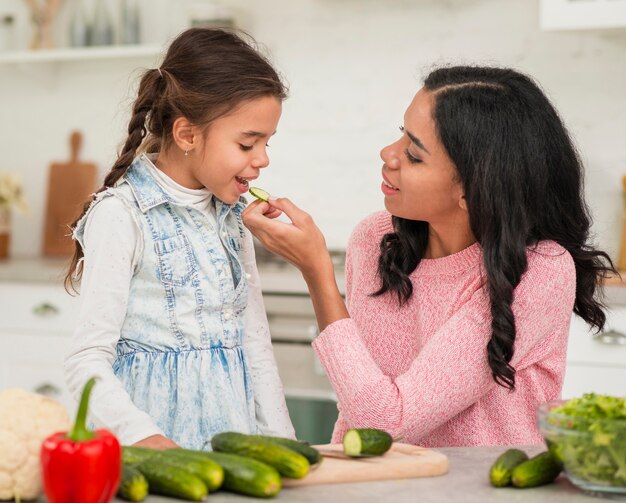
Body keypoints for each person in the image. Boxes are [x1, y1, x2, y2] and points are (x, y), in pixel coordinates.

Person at [243, 65, 615, 447]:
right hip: (370, 485)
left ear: (474, 190)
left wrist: (317, 271)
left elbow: (386, 422)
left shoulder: (537, 271)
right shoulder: (376, 238)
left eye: (415, 155)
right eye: (400, 134)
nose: (388, 154)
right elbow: (360, 401)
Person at [63, 28, 295, 450]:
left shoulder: (233, 218)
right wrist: (151, 442)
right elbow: (86, 363)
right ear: (188, 135)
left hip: (233, 459)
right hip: (155, 461)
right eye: (248, 143)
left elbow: (255, 343)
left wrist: (283, 443)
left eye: (267, 142)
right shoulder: (121, 216)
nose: (263, 159)